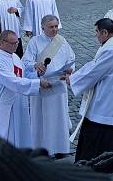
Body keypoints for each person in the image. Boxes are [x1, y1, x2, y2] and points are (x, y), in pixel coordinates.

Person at [67, 18, 113, 173]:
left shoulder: (111, 50)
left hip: (107, 97)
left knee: (97, 125)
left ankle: (99, 163)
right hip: (112, 91)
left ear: (105, 32)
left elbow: (95, 71)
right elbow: (94, 65)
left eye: (96, 32)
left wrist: (72, 79)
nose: (96, 35)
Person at [0, 30, 53, 148]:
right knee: (6, 133)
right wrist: (38, 83)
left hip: (19, 100)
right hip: (5, 103)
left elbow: (23, 76)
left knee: (21, 131)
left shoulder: (14, 56)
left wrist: (37, 75)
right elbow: (13, 81)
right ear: (2, 42)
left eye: (17, 43)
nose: (16, 46)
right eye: (13, 43)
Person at [22, 15, 75, 157]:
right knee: (41, 118)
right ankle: (41, 148)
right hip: (42, 84)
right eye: (51, 27)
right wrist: (36, 64)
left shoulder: (62, 41)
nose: (55, 29)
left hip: (59, 84)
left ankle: (60, 148)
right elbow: (25, 62)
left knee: (59, 117)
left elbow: (71, 59)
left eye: (56, 26)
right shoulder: (35, 42)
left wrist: (70, 70)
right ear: (42, 27)